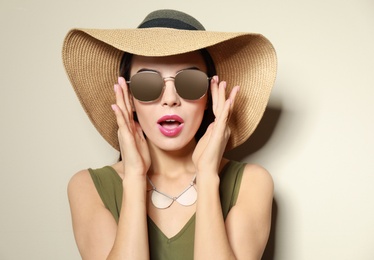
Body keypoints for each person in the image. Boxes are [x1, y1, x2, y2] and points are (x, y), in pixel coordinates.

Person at [63, 9, 277, 260]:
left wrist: (207, 176)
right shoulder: (87, 187)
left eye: (189, 82)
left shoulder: (252, 183)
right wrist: (134, 177)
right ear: (127, 98)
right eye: (147, 84)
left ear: (210, 94)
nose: (170, 99)